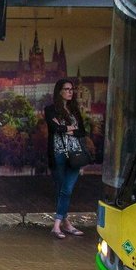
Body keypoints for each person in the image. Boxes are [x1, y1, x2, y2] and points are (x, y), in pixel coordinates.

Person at [45, 78, 88, 239]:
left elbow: (82, 131)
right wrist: (70, 128)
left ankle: (57, 225)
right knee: (61, 189)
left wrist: (66, 129)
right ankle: (66, 223)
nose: (70, 92)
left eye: (71, 89)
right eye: (67, 89)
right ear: (59, 91)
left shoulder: (75, 110)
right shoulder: (50, 109)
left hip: (75, 154)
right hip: (58, 153)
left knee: (67, 189)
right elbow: (54, 127)